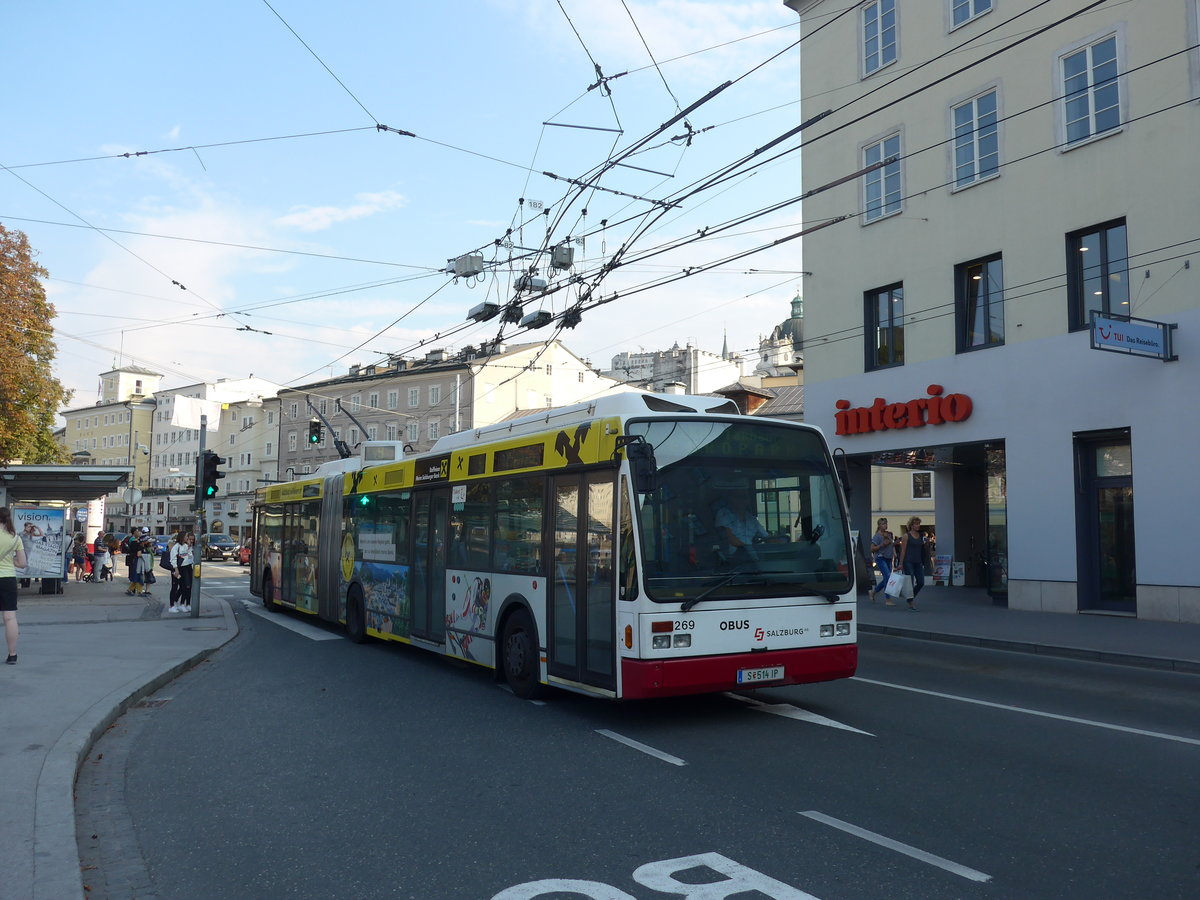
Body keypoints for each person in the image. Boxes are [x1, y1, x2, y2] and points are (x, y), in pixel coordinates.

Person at [1, 508, 29, 664]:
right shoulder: (15, 538)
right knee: (9, 617)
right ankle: (12, 654)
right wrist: (9, 561)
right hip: (8, 579)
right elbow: (22, 563)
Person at [716, 494, 769, 563]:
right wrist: (750, 550)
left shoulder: (752, 519)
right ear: (731, 499)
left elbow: (767, 537)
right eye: (738, 497)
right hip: (731, 561)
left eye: (744, 498)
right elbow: (731, 540)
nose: (742, 501)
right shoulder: (723, 513)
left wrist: (782, 543)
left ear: (748, 501)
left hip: (751, 559)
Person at [898, 516, 928, 610]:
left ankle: (911, 597)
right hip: (908, 561)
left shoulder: (921, 536)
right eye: (916, 524)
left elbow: (923, 548)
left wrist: (926, 543)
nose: (918, 526)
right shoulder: (907, 536)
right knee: (910, 582)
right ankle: (910, 602)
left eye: (919, 524)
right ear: (911, 525)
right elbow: (903, 550)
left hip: (918, 561)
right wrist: (900, 563)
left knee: (921, 582)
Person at [869, 518, 894, 604]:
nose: (885, 526)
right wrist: (881, 545)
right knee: (887, 576)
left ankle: (874, 592)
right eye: (883, 524)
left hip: (889, 558)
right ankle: (888, 598)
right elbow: (872, 548)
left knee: (888, 577)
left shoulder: (889, 534)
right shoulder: (877, 536)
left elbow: (891, 545)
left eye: (886, 523)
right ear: (879, 525)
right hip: (880, 557)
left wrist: (894, 552)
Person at [170, 532, 196, 613]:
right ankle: (172, 605)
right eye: (186, 537)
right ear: (182, 537)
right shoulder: (176, 547)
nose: (187, 538)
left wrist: (189, 547)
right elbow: (173, 558)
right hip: (178, 568)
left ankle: (182, 604)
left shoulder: (186, 546)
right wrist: (176, 569)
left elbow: (190, 556)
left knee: (186, 586)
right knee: (175, 586)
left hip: (186, 566)